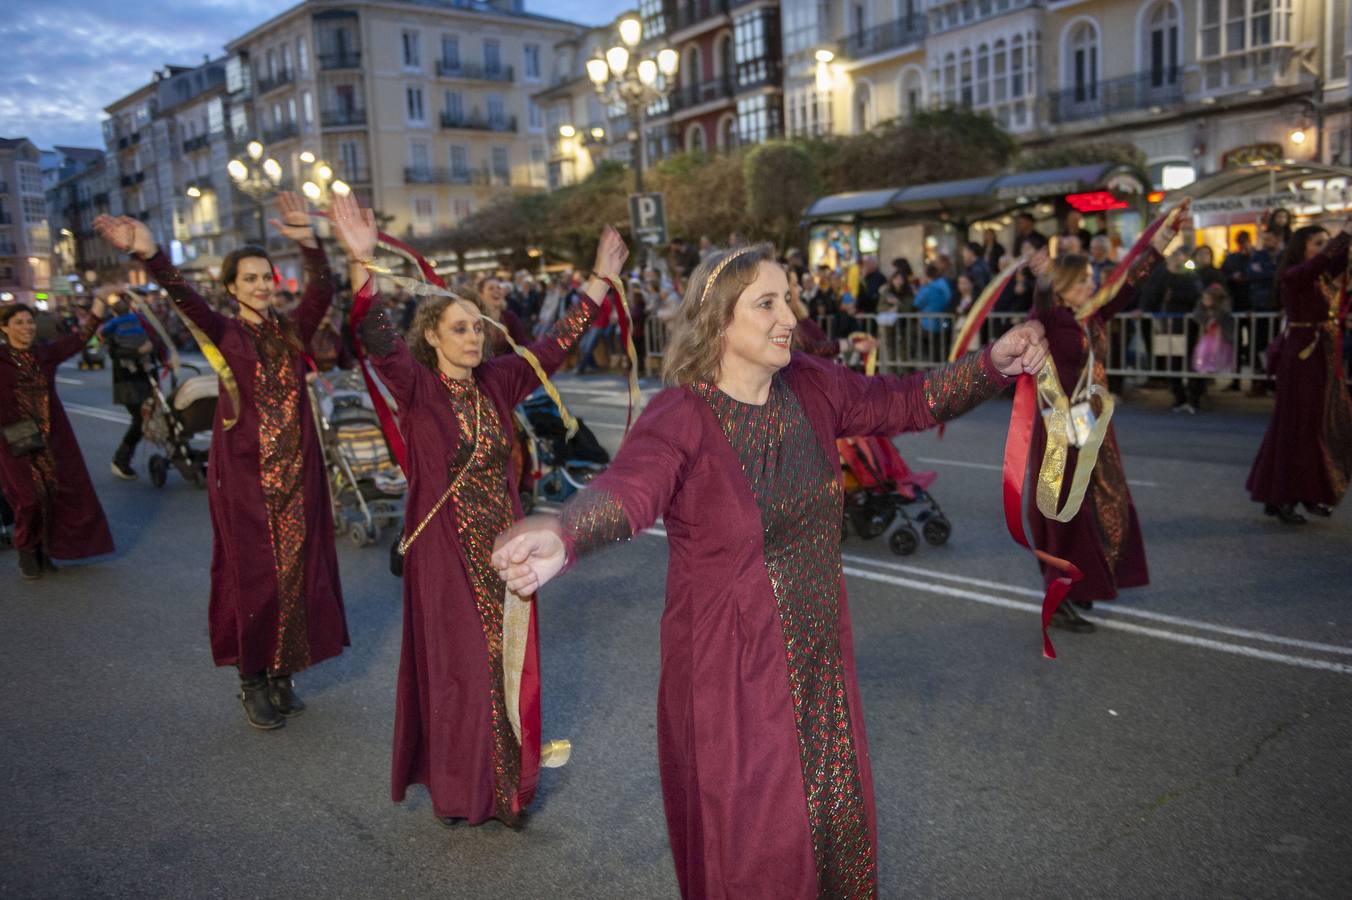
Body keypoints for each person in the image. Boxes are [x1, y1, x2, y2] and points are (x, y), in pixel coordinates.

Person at [490, 243, 1048, 898]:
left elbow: (905, 401)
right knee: (759, 847)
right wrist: (567, 532)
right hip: (733, 676)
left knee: (828, 823)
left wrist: (991, 365)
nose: (789, 315)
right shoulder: (683, 415)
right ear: (719, 320)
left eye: (788, 298)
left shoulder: (811, 384)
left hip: (817, 660)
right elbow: (631, 487)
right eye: (767, 302)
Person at [328, 196, 623, 827]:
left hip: (505, 551)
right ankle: (462, 790)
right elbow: (375, 333)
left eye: (477, 326)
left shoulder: (499, 380)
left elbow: (557, 344)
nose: (472, 336)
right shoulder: (418, 387)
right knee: (463, 669)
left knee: (507, 664)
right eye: (458, 327)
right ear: (431, 336)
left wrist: (599, 279)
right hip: (445, 556)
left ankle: (506, 787)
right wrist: (361, 260)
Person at [95, 194, 349, 731]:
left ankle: (284, 670)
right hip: (246, 481)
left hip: (299, 475)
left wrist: (309, 240)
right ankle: (252, 678)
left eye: (265, 276)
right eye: (249, 278)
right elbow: (184, 297)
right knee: (253, 578)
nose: (260, 285)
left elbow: (323, 288)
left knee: (297, 574)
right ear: (232, 287)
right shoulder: (224, 331)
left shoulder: (291, 328)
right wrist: (152, 253)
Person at [1026, 213, 1185, 630]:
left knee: (1104, 505)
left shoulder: (1092, 315)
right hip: (1061, 431)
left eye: (1092, 279)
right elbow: (1038, 317)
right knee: (1066, 514)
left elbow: (1129, 283)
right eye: (1081, 282)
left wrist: (1162, 239)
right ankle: (1060, 595)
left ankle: (1085, 582)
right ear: (1061, 290)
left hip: (1093, 427)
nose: (1091, 286)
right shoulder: (1052, 321)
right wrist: (1044, 280)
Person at [1246, 220, 1352, 524]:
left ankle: (1313, 493)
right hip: (1302, 359)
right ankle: (1284, 497)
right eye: (1316, 243)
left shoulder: (1322, 277)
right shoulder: (1294, 276)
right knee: (1298, 427)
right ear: (1301, 248)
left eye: (1325, 242)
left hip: (1325, 358)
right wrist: (1342, 235)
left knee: (1326, 426)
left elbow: (1337, 261)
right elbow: (1321, 261)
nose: (1323, 248)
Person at [1, 299, 113, 579]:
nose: (27, 327)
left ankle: (46, 548)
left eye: (29, 322)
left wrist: (98, 307)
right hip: (12, 439)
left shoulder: (44, 354)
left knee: (52, 494)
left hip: (51, 437)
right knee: (27, 498)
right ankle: (26, 548)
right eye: (19, 323)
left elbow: (80, 339)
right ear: (4, 327)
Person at [100, 300, 163, 479]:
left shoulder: (142, 323)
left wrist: (154, 350)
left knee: (149, 417)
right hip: (127, 380)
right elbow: (115, 353)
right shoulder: (112, 329)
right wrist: (140, 351)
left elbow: (156, 343)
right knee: (139, 419)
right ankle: (121, 459)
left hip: (146, 376)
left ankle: (124, 458)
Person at [1176, 283, 1235, 413]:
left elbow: (1225, 314)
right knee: (1199, 368)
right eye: (1204, 299)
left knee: (1205, 368)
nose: (1205, 301)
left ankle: (1196, 396)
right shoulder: (1202, 307)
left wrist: (1214, 319)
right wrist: (1207, 320)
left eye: (1208, 299)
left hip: (1220, 342)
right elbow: (1197, 314)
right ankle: (1194, 397)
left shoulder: (1223, 308)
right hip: (1206, 341)